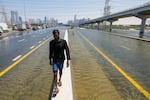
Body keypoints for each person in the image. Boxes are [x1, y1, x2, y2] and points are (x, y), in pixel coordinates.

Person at [49, 29, 71, 94]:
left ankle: (60, 80)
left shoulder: (63, 42)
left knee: (60, 71)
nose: (55, 36)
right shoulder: (51, 42)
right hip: (55, 60)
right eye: (54, 35)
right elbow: (50, 51)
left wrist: (68, 60)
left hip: (61, 60)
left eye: (56, 34)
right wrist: (50, 59)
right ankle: (56, 88)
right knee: (55, 74)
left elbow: (67, 51)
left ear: (58, 34)